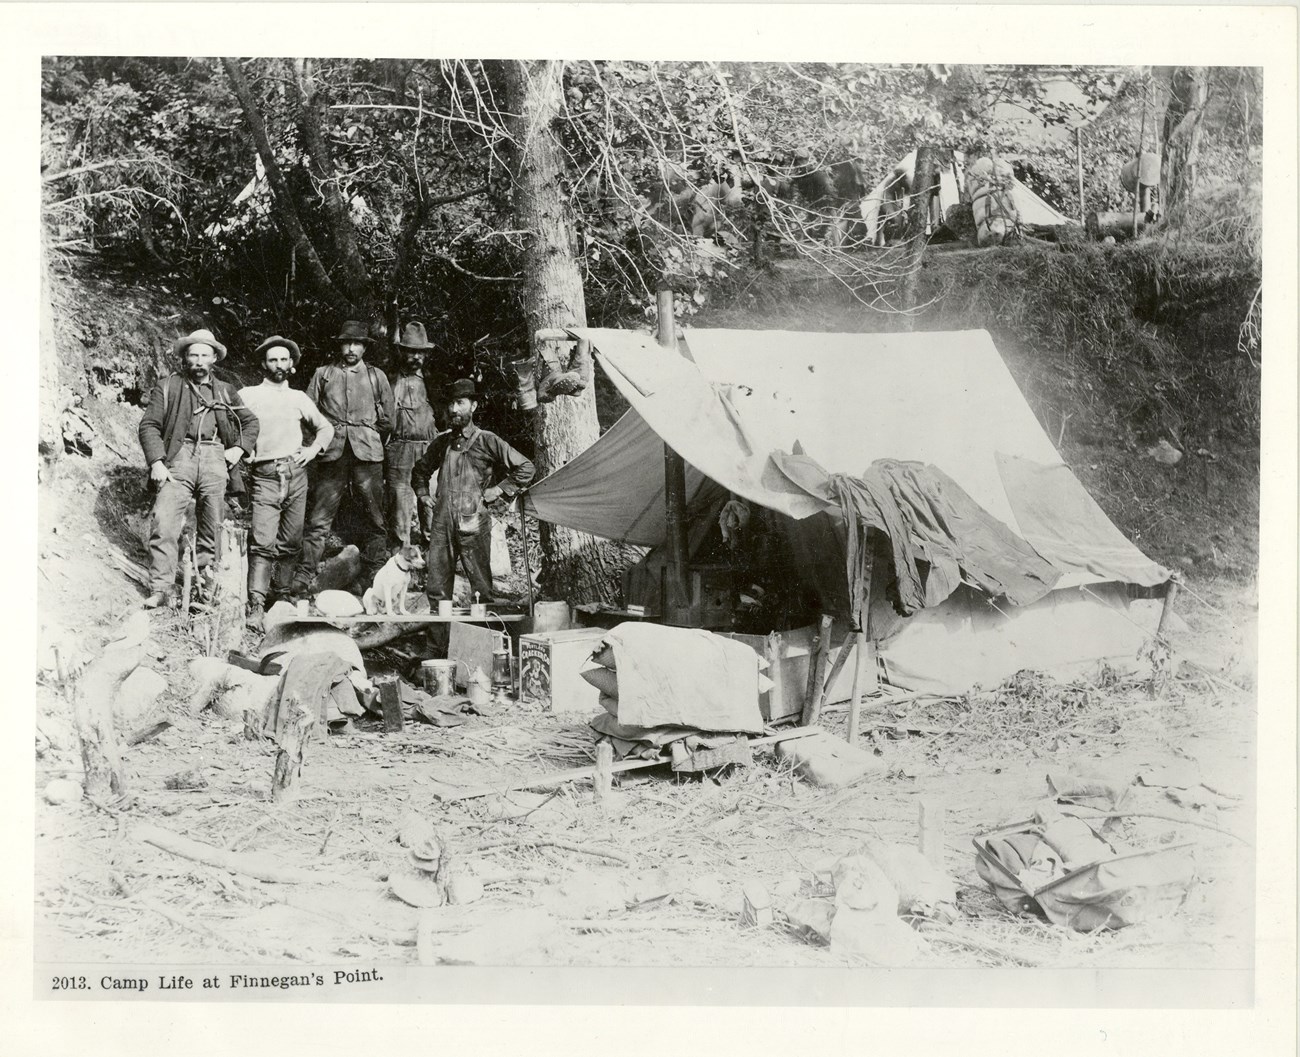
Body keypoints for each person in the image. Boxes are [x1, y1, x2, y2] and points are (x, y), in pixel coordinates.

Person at [137, 328, 259, 609]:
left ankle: (205, 589)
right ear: (185, 357)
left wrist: (238, 449)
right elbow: (149, 425)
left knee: (212, 526)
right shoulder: (168, 386)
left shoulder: (226, 391)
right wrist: (156, 461)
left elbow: (251, 422)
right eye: (193, 354)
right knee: (164, 521)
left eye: (205, 355)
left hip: (216, 457)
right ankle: (161, 589)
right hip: (179, 457)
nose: (199, 361)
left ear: (214, 358)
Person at [411, 378, 535, 613]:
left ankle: (480, 642)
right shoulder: (443, 442)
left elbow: (526, 467)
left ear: (473, 406)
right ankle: (439, 646)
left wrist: (499, 489)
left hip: (473, 520)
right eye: (451, 404)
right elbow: (420, 470)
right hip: (442, 522)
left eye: (460, 403)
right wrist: (423, 494)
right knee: (437, 585)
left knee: (479, 584)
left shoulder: (487, 440)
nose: (454, 409)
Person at [291, 320, 394, 595]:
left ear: (364, 347)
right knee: (320, 516)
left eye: (357, 343)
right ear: (339, 345)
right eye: (346, 343)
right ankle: (304, 574)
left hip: (368, 453)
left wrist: (366, 433)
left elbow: (389, 420)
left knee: (374, 515)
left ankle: (376, 574)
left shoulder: (376, 376)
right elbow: (307, 413)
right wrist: (321, 439)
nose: (351, 348)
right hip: (331, 452)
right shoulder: (323, 374)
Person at [237, 335, 335, 625]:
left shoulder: (298, 398)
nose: (278, 365)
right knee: (262, 541)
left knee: (291, 541)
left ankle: (281, 597)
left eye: (283, 359)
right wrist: (243, 451)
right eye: (272, 360)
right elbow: (229, 426)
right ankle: (255, 603)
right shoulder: (248, 395)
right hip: (264, 474)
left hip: (295, 473)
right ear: (263, 364)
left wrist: (312, 450)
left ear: (291, 364)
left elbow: (325, 428)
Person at [384, 321, 438, 551]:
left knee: (431, 503)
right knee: (400, 504)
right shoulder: (390, 380)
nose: (416, 357)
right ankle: (401, 557)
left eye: (420, 353)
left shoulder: (434, 381)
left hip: (429, 449)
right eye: (411, 351)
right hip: (399, 450)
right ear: (402, 352)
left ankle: (433, 556)